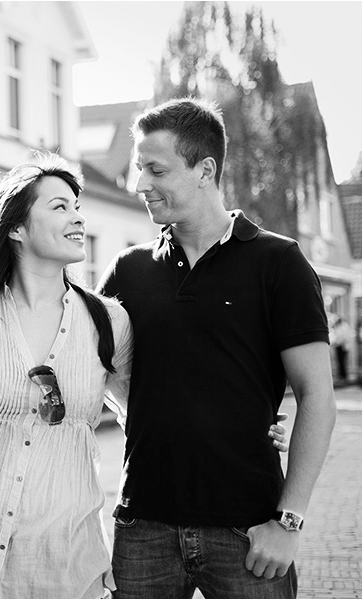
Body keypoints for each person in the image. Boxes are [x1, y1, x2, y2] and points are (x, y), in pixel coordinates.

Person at [0, 153, 288, 599]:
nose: (77, 218)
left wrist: (241, 427)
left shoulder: (108, 322)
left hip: (63, 562)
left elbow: (148, 410)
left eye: (77, 207)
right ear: (15, 227)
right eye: (59, 207)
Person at [97, 98, 337, 599]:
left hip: (248, 532)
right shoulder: (127, 271)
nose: (140, 184)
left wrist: (287, 522)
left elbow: (317, 394)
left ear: (205, 170)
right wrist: (138, 414)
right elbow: (94, 369)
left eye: (155, 169)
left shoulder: (279, 263)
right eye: (140, 168)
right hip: (142, 528)